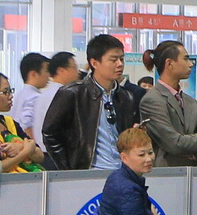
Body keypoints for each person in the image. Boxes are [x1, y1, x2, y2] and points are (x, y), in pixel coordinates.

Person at [41, 34, 143, 172]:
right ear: (94, 63)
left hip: (122, 171)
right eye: (113, 60)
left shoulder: (127, 97)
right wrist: (68, 169)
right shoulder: (73, 93)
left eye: (122, 59)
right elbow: (50, 133)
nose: (120, 64)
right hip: (89, 172)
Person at [137, 41, 197, 167]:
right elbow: (173, 143)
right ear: (169, 63)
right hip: (168, 174)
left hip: (194, 173)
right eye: (185, 59)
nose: (190, 64)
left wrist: (195, 155)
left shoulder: (191, 102)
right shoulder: (152, 100)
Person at [10, 52, 52, 142]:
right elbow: (26, 125)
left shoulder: (19, 94)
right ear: (33, 74)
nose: (49, 75)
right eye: (46, 71)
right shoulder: (35, 97)